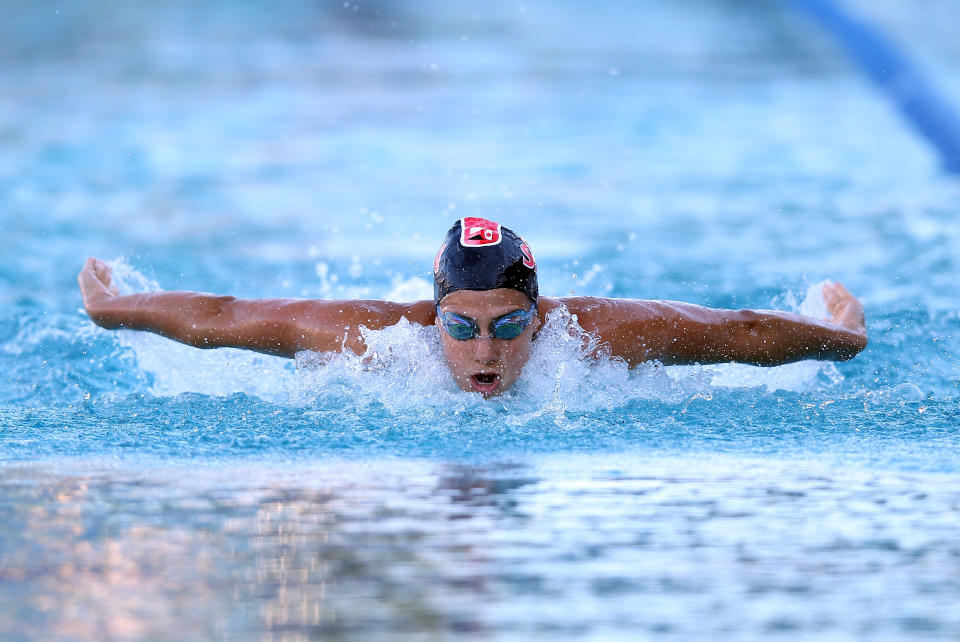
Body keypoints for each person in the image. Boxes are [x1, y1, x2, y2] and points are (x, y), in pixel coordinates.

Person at [79, 217, 867, 397]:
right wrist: (113, 309)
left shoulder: (592, 336)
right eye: (460, 328)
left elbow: (743, 333)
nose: (484, 352)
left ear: (539, 311)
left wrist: (842, 338)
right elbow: (220, 319)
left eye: (507, 326)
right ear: (433, 317)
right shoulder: (380, 340)